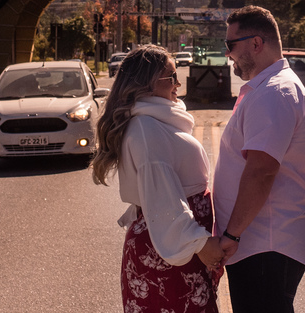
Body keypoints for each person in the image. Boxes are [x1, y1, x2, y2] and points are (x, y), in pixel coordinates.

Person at [91, 45, 224, 313]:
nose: (177, 83)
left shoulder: (155, 120)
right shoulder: (146, 127)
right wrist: (199, 243)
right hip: (169, 249)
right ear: (146, 83)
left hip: (173, 244)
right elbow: (164, 195)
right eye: (170, 77)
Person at [213, 6, 305, 313]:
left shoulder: (274, 93)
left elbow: (261, 171)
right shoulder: (273, 89)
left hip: (264, 243)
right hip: (264, 242)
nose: (228, 55)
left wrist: (232, 233)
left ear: (256, 44)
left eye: (230, 45)